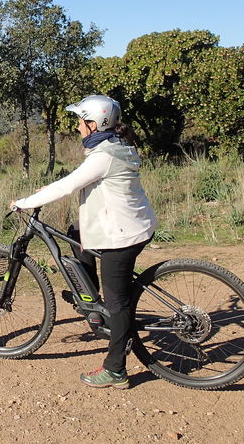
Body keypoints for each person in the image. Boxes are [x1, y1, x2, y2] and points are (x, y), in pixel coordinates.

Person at [10, 95, 157, 389]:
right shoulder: (115, 145)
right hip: (135, 223)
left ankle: (115, 370)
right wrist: (46, 190)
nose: (77, 126)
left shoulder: (103, 156)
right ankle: (91, 302)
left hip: (122, 235)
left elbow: (69, 185)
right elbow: (83, 178)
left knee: (119, 303)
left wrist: (25, 202)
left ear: (94, 123)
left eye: (80, 120)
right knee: (76, 233)